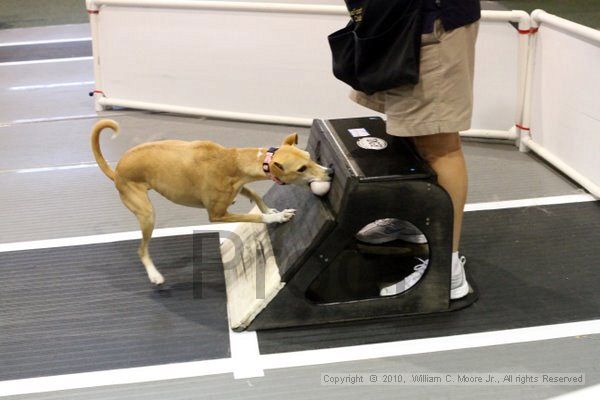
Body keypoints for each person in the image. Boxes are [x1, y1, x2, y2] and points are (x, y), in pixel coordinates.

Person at [353, 0, 481, 300]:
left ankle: (446, 269)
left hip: (433, 21)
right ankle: (411, 223)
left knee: (439, 145)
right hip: (400, 19)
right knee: (410, 130)